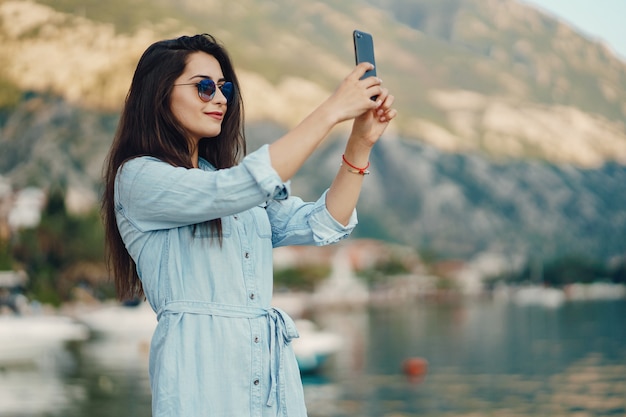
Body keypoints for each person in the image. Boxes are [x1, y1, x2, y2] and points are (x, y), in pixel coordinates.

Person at [101, 33, 396, 417]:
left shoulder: (227, 186)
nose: (220, 99)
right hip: (202, 381)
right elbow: (239, 186)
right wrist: (331, 110)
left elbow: (325, 222)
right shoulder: (139, 178)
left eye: (225, 89)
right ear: (159, 93)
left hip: (270, 383)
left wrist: (360, 142)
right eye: (205, 87)